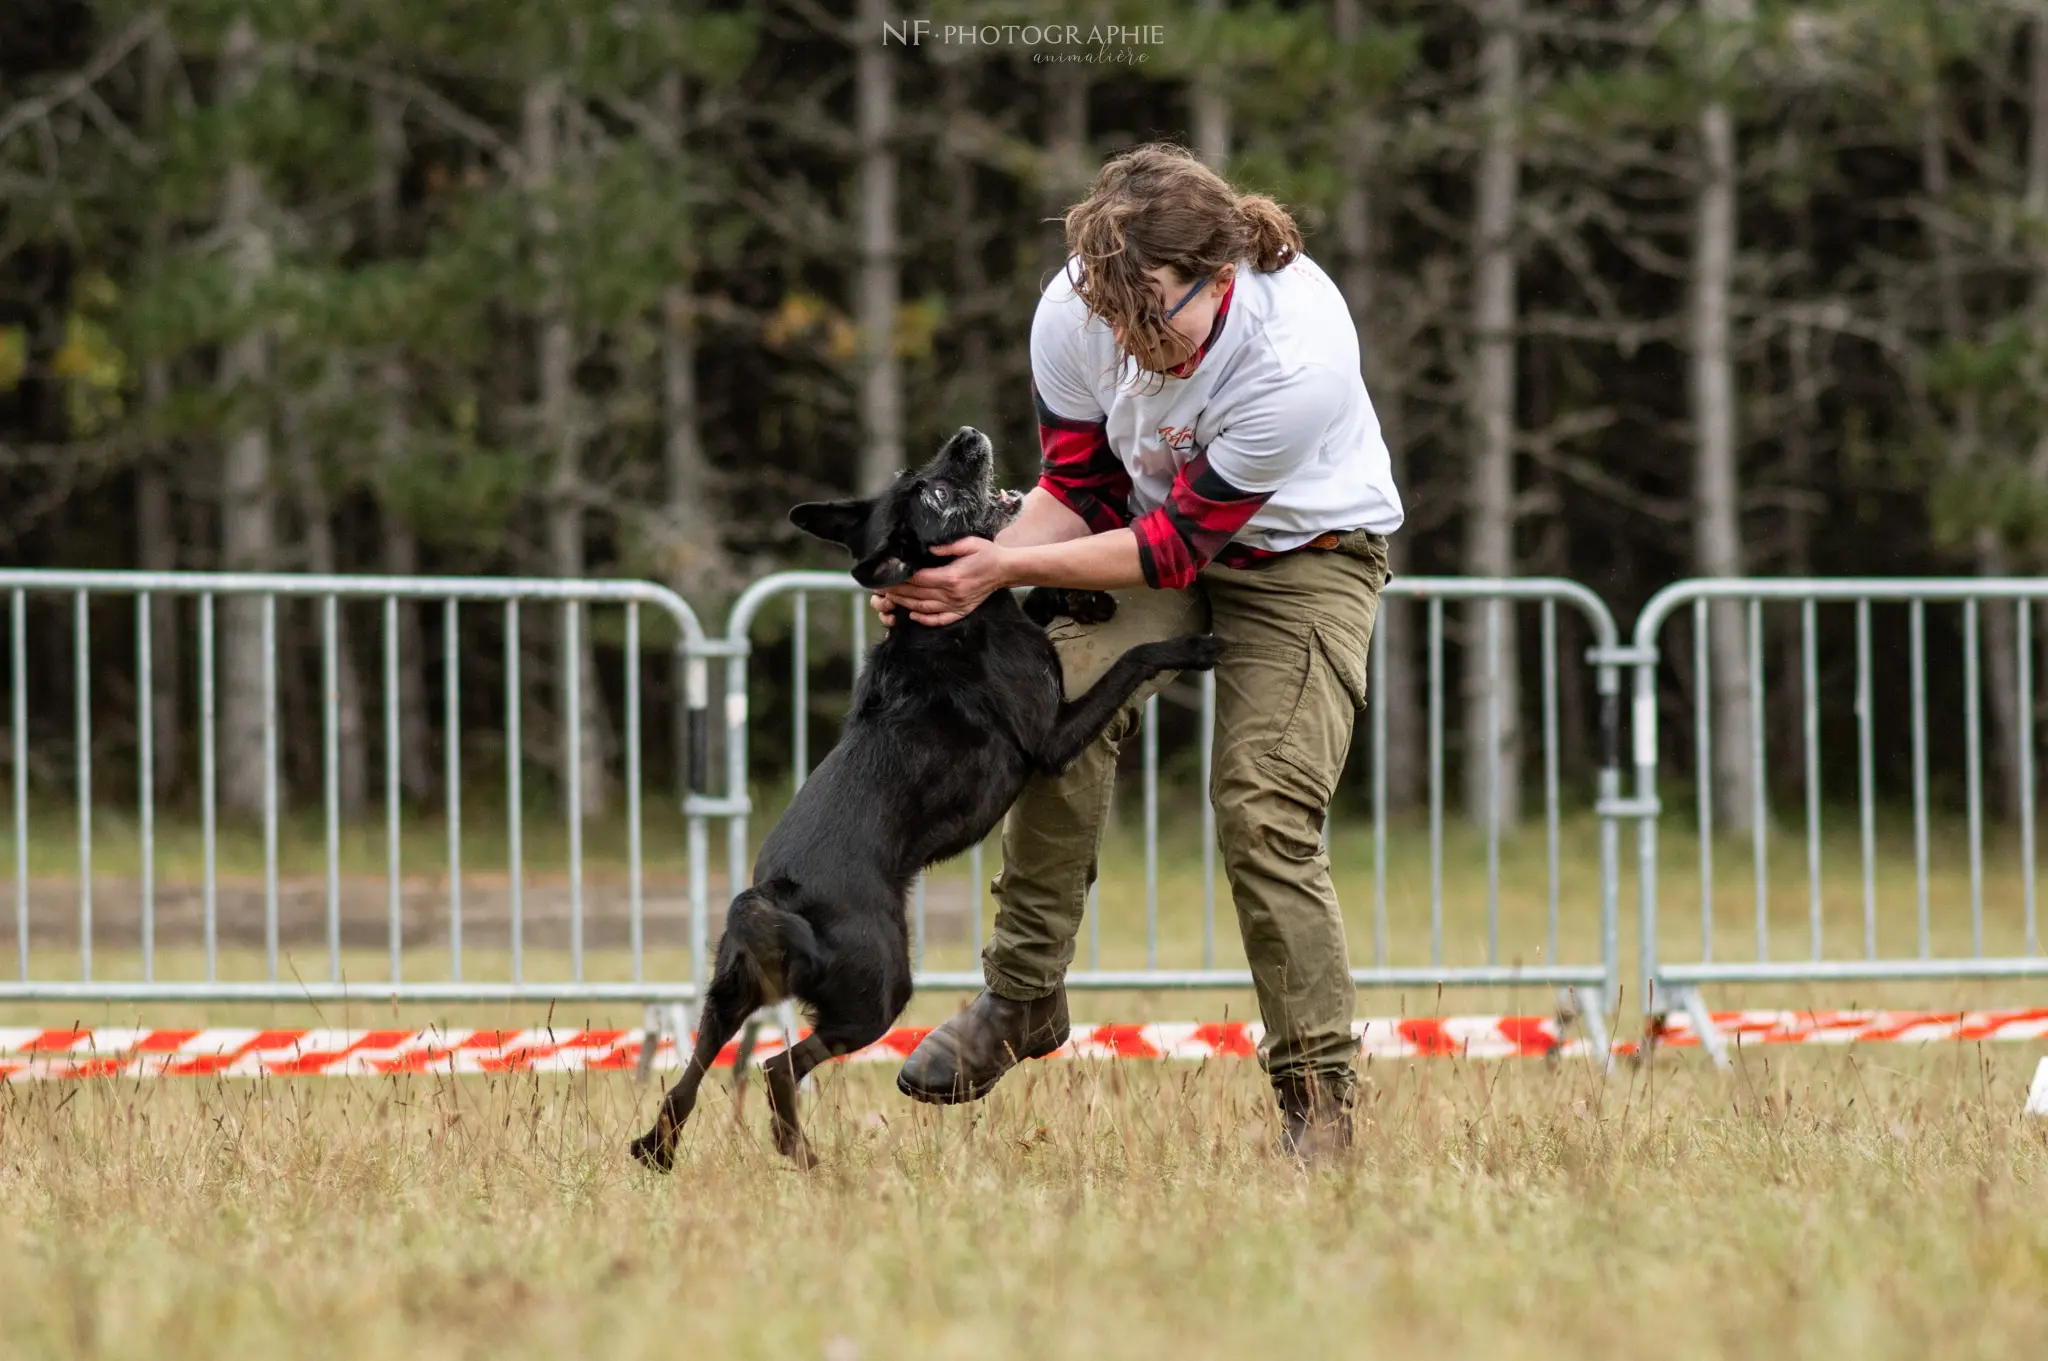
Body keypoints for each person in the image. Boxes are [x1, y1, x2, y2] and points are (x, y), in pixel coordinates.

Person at [876, 142, 1403, 1159]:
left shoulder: (1294, 355)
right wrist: (961, 572)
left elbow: (1173, 550)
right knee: (1045, 704)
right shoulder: (1071, 313)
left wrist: (992, 574)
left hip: (1304, 557)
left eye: (1151, 314)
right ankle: (1021, 999)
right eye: (1111, 312)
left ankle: (1317, 1104)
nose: (1129, 338)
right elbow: (1079, 489)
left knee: (1261, 809)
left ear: (1218, 275)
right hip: (1145, 530)